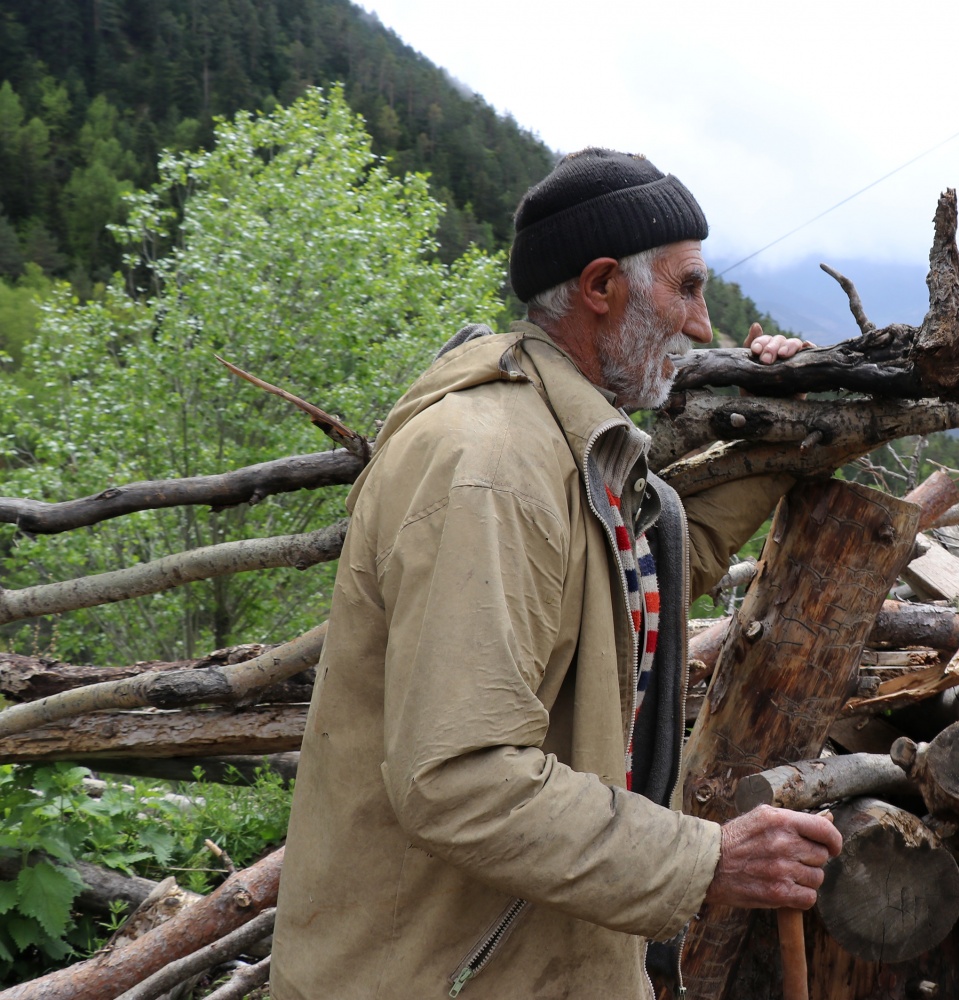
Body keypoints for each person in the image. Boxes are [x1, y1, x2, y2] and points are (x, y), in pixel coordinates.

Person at [269, 148, 843, 1000]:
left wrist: (790, 425)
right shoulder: (490, 469)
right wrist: (707, 859)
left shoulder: (563, 445)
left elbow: (638, 586)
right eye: (687, 288)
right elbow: (459, 778)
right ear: (602, 285)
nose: (703, 326)